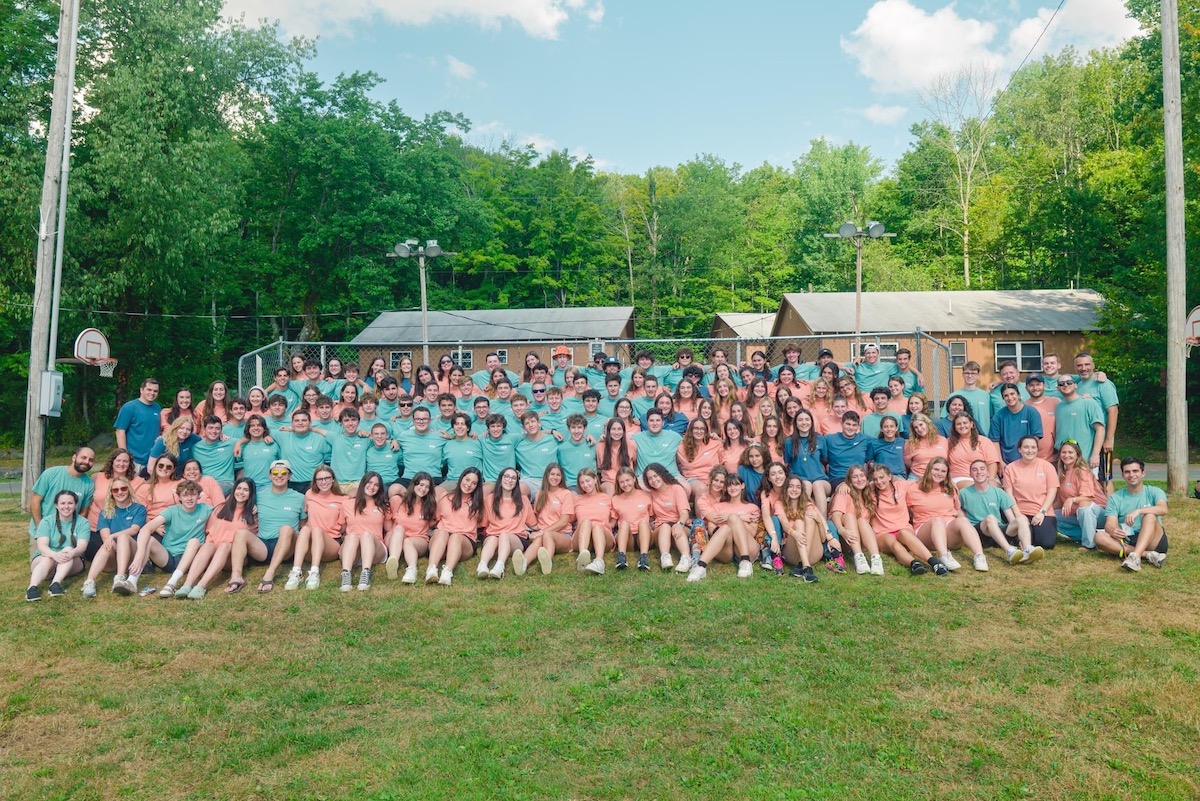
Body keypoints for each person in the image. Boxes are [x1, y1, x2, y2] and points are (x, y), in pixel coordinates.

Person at [226, 459, 305, 594]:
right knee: (241, 533)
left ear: (290, 476)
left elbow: (304, 524)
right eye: (275, 472)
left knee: (286, 528)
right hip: (263, 545)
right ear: (269, 475)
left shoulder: (300, 497)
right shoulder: (259, 496)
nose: (279, 476)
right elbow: (235, 499)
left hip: (287, 546)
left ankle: (270, 573)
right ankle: (236, 576)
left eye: (283, 473)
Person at [127, 479, 213, 597]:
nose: (189, 498)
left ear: (199, 496)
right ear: (179, 497)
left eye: (193, 494)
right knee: (150, 540)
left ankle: (172, 583)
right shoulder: (171, 511)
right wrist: (139, 555)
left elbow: (225, 513)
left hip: (190, 558)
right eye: (185, 495)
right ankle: (132, 580)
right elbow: (146, 529)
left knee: (194, 541)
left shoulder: (206, 509)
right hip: (168, 557)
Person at [176, 478, 257, 599]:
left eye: (246, 490)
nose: (241, 492)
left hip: (232, 557)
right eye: (239, 488)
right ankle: (187, 585)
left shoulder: (252, 514)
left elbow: (249, 540)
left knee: (225, 545)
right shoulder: (220, 508)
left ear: (251, 494)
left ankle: (201, 586)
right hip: (214, 553)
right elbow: (209, 531)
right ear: (233, 490)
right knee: (208, 545)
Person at [907, 457, 989, 572]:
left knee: (963, 520)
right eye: (936, 469)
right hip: (925, 530)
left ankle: (979, 556)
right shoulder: (914, 488)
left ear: (947, 474)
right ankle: (943, 556)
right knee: (937, 520)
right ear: (929, 469)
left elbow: (958, 510)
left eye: (943, 471)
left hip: (948, 530)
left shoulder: (950, 488)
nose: (939, 473)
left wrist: (966, 528)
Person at [868, 464, 947, 576]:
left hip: (903, 528)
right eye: (875, 479)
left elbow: (924, 482)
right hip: (883, 533)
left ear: (889, 476)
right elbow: (857, 486)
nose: (879, 482)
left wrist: (948, 482)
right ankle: (914, 563)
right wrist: (843, 485)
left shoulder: (901, 486)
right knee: (894, 544)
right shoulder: (870, 492)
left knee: (904, 533)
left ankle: (934, 563)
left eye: (881, 477)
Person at [958, 459, 1042, 565]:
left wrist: (1019, 533)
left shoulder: (998, 492)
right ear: (970, 474)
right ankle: (1009, 551)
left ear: (988, 473)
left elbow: (1011, 518)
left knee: (1021, 519)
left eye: (982, 469)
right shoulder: (963, 493)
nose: (979, 472)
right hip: (980, 532)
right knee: (990, 518)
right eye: (974, 470)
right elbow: (957, 513)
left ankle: (1027, 549)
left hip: (998, 529)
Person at [1096, 457, 1168, 572]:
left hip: (1154, 538)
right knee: (1099, 537)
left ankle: (1135, 557)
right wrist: (1112, 530)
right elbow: (1110, 524)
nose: (1131, 475)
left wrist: (1139, 511)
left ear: (1143, 473)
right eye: (1127, 472)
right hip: (1128, 538)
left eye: (1135, 471)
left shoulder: (1154, 491)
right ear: (1123, 475)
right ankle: (1147, 555)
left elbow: (1164, 509)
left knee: (1149, 515)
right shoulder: (1115, 497)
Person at [686, 472, 761, 582]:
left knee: (732, 519)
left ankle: (745, 561)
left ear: (742, 486)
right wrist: (730, 526)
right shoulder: (718, 507)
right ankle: (700, 567)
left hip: (748, 548)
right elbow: (712, 529)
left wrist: (734, 518)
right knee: (726, 528)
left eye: (736, 484)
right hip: (727, 550)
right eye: (729, 485)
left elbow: (753, 532)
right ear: (725, 488)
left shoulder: (751, 508)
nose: (732, 488)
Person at [82, 477, 146, 597]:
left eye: (123, 488)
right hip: (113, 556)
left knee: (123, 537)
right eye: (115, 490)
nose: (120, 492)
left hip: (132, 555)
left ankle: (120, 578)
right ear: (111, 493)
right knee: (107, 545)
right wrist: (110, 539)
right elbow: (105, 536)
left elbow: (134, 529)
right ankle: (89, 582)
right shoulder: (105, 512)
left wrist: (113, 536)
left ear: (129, 489)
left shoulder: (139, 508)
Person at [28, 446, 95, 556]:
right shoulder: (51, 473)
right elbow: (35, 501)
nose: (86, 462)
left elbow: (83, 511)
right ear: (74, 457)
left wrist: (75, 532)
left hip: (68, 533)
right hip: (43, 529)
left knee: (66, 565)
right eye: (83, 457)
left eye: (91, 460)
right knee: (44, 567)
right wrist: (40, 528)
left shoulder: (89, 484)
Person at [26, 490, 92, 601]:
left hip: (72, 560)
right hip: (45, 559)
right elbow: (42, 546)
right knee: (47, 558)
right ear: (56, 505)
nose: (66, 506)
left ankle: (55, 584)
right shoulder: (46, 521)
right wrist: (54, 555)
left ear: (75, 504)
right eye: (62, 503)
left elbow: (82, 546)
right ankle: (32, 588)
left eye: (70, 503)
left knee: (68, 549)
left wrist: (72, 553)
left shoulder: (83, 522)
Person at [287, 465, 345, 590]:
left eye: (327, 478)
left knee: (317, 529)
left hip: (331, 543)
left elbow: (343, 528)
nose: (324, 482)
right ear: (315, 481)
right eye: (320, 479)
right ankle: (296, 572)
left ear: (333, 479)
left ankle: (314, 572)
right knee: (306, 529)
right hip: (312, 542)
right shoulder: (309, 494)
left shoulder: (342, 499)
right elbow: (307, 517)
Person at [426, 467, 485, 586]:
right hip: (441, 540)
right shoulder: (445, 497)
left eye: (474, 483)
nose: (469, 485)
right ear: (461, 478)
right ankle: (431, 569)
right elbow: (435, 519)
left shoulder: (478, 503)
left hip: (464, 541)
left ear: (477, 486)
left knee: (456, 536)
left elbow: (484, 523)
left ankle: (447, 572)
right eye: (467, 480)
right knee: (442, 532)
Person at [1001, 436, 1059, 551]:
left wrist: (1042, 512)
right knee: (1026, 535)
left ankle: (1023, 539)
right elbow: (1009, 494)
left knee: (1047, 543)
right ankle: (1024, 541)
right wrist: (1018, 515)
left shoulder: (1047, 467)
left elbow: (1052, 492)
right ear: (1019, 449)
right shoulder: (1011, 468)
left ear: (1037, 449)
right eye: (1026, 447)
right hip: (1021, 512)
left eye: (1033, 447)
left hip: (1042, 512)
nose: (1030, 450)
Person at [477, 467, 534, 580]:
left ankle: (499, 566)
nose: (510, 480)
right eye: (506, 476)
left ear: (517, 482)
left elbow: (533, 524)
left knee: (504, 534)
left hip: (515, 538)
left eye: (513, 478)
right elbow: (483, 523)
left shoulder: (523, 500)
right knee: (493, 538)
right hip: (493, 537)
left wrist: (543, 531)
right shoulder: (489, 499)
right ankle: (482, 565)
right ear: (501, 479)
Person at [338, 472, 391, 592]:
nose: (372, 487)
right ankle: (346, 574)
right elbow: (340, 529)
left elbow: (389, 530)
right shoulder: (347, 504)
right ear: (363, 484)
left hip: (375, 547)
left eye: (376, 485)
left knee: (366, 534)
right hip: (353, 550)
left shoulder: (383, 506)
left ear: (380, 488)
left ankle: (365, 573)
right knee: (351, 536)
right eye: (369, 483)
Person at [827, 464, 884, 575]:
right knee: (850, 516)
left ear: (867, 478)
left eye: (862, 475)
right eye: (855, 477)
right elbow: (835, 515)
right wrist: (841, 530)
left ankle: (876, 559)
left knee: (862, 520)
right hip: (845, 537)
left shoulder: (869, 493)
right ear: (849, 480)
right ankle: (859, 558)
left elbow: (884, 480)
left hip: (863, 538)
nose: (859, 479)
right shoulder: (844, 492)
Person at [776, 476, 832, 583]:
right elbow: (785, 524)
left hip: (813, 553)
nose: (794, 490)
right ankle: (806, 567)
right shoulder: (779, 504)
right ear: (786, 489)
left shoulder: (809, 506)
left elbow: (823, 538)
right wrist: (794, 533)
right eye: (791, 486)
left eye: (798, 487)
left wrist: (819, 521)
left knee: (807, 517)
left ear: (801, 491)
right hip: (792, 552)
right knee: (798, 522)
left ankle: (803, 564)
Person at [1073, 352, 1119, 484]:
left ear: (1093, 365)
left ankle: (1109, 504)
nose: (1083, 368)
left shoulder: (1103, 384)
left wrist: (1109, 440)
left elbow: (1113, 411)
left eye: (1087, 364)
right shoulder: (1077, 383)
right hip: (1085, 442)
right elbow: (1059, 378)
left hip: (1101, 442)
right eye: (1079, 365)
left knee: (1104, 478)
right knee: (1087, 479)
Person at [386, 472, 438, 583]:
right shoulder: (397, 501)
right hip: (396, 538)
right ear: (414, 484)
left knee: (407, 542)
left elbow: (434, 521)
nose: (423, 489)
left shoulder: (430, 505)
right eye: (421, 485)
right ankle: (393, 562)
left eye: (427, 487)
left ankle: (412, 570)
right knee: (399, 528)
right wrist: (391, 532)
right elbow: (387, 518)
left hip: (418, 540)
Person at [643, 463, 694, 573]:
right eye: (650, 478)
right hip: (661, 529)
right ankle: (665, 557)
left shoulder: (676, 489)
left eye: (656, 476)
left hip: (680, 524)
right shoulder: (651, 494)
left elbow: (684, 513)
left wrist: (680, 524)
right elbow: (651, 518)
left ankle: (686, 558)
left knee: (675, 526)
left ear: (662, 474)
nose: (653, 480)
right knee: (665, 526)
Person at [526, 464, 576, 575]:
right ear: (547, 476)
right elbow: (537, 518)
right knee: (540, 539)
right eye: (552, 474)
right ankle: (523, 563)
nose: (555, 477)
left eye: (558, 475)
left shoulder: (566, 494)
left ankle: (547, 563)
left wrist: (542, 532)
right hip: (543, 534)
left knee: (547, 534)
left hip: (563, 535)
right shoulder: (540, 494)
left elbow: (564, 521)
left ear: (562, 477)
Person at [1055, 441, 1106, 550]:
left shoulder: (1082, 471)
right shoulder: (1062, 474)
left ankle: (1089, 544)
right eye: (1064, 452)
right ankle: (1093, 536)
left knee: (1083, 506)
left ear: (1077, 455)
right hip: (1078, 514)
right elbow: (1060, 502)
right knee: (1051, 517)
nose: (1066, 455)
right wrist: (1043, 511)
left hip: (1099, 514)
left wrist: (1071, 499)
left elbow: (1088, 498)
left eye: (1070, 452)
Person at [1052, 375, 1105, 471]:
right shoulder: (1058, 407)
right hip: (1065, 461)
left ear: (1075, 385)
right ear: (1058, 388)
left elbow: (1100, 429)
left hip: (1085, 460)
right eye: (1061, 384)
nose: (1065, 385)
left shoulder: (1089, 403)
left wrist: (1095, 455)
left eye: (1069, 382)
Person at [573, 468, 617, 575]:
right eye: (582, 482)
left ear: (595, 479)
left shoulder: (606, 498)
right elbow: (570, 520)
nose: (585, 485)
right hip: (583, 535)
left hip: (602, 535)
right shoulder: (577, 499)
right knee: (586, 521)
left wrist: (606, 526)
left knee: (597, 526)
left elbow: (614, 519)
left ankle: (599, 562)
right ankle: (583, 557)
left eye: (588, 481)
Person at [114, 377, 162, 472]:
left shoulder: (157, 408)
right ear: (141, 390)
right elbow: (120, 432)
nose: (152, 393)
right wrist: (125, 456)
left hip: (153, 460)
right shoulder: (129, 407)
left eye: (155, 391)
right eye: (149, 389)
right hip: (135, 461)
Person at [611, 467, 654, 570]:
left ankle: (644, 557)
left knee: (643, 523)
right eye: (621, 482)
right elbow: (612, 523)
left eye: (627, 480)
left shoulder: (646, 495)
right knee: (624, 524)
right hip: (627, 537)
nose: (625, 484)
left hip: (644, 535)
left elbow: (652, 518)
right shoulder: (616, 499)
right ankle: (621, 556)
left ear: (634, 479)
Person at [989, 383, 1043, 464]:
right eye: (1006, 395)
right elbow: (995, 441)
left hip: (1027, 461)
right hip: (1006, 462)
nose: (1010, 398)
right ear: (1003, 398)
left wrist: (1028, 457)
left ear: (1018, 395)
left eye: (1012, 394)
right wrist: (1000, 462)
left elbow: (1036, 438)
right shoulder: (998, 416)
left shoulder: (1031, 412)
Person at [946, 413, 1001, 486]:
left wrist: (991, 479)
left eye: (965, 423)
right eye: (958, 424)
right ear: (955, 427)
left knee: (994, 488)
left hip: (984, 478)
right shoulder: (948, 443)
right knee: (976, 488)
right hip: (960, 478)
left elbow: (992, 462)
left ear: (971, 424)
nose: (962, 426)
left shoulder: (984, 441)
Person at [821, 411, 871, 490]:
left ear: (858, 426)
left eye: (854, 425)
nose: (851, 428)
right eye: (848, 424)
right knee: (846, 490)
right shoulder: (829, 439)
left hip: (859, 479)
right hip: (838, 479)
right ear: (841, 423)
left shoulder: (864, 439)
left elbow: (882, 444)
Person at [192, 415, 236, 494]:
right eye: (210, 428)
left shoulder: (230, 443)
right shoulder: (195, 447)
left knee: (211, 493)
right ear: (204, 429)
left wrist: (265, 437)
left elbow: (250, 441)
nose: (214, 431)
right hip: (202, 483)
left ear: (221, 430)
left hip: (224, 483)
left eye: (217, 428)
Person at [1023, 374, 1059, 462]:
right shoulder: (1023, 407)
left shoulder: (1056, 402)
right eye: (1031, 385)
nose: (1035, 388)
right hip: (1031, 458)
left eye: (1038, 384)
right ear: (1026, 388)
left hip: (1053, 457)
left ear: (1044, 385)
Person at [904, 413, 948, 480]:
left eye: (921, 425)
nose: (919, 429)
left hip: (939, 477)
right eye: (916, 427)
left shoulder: (943, 440)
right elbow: (908, 463)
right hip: (917, 477)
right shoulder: (910, 444)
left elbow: (947, 461)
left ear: (927, 423)